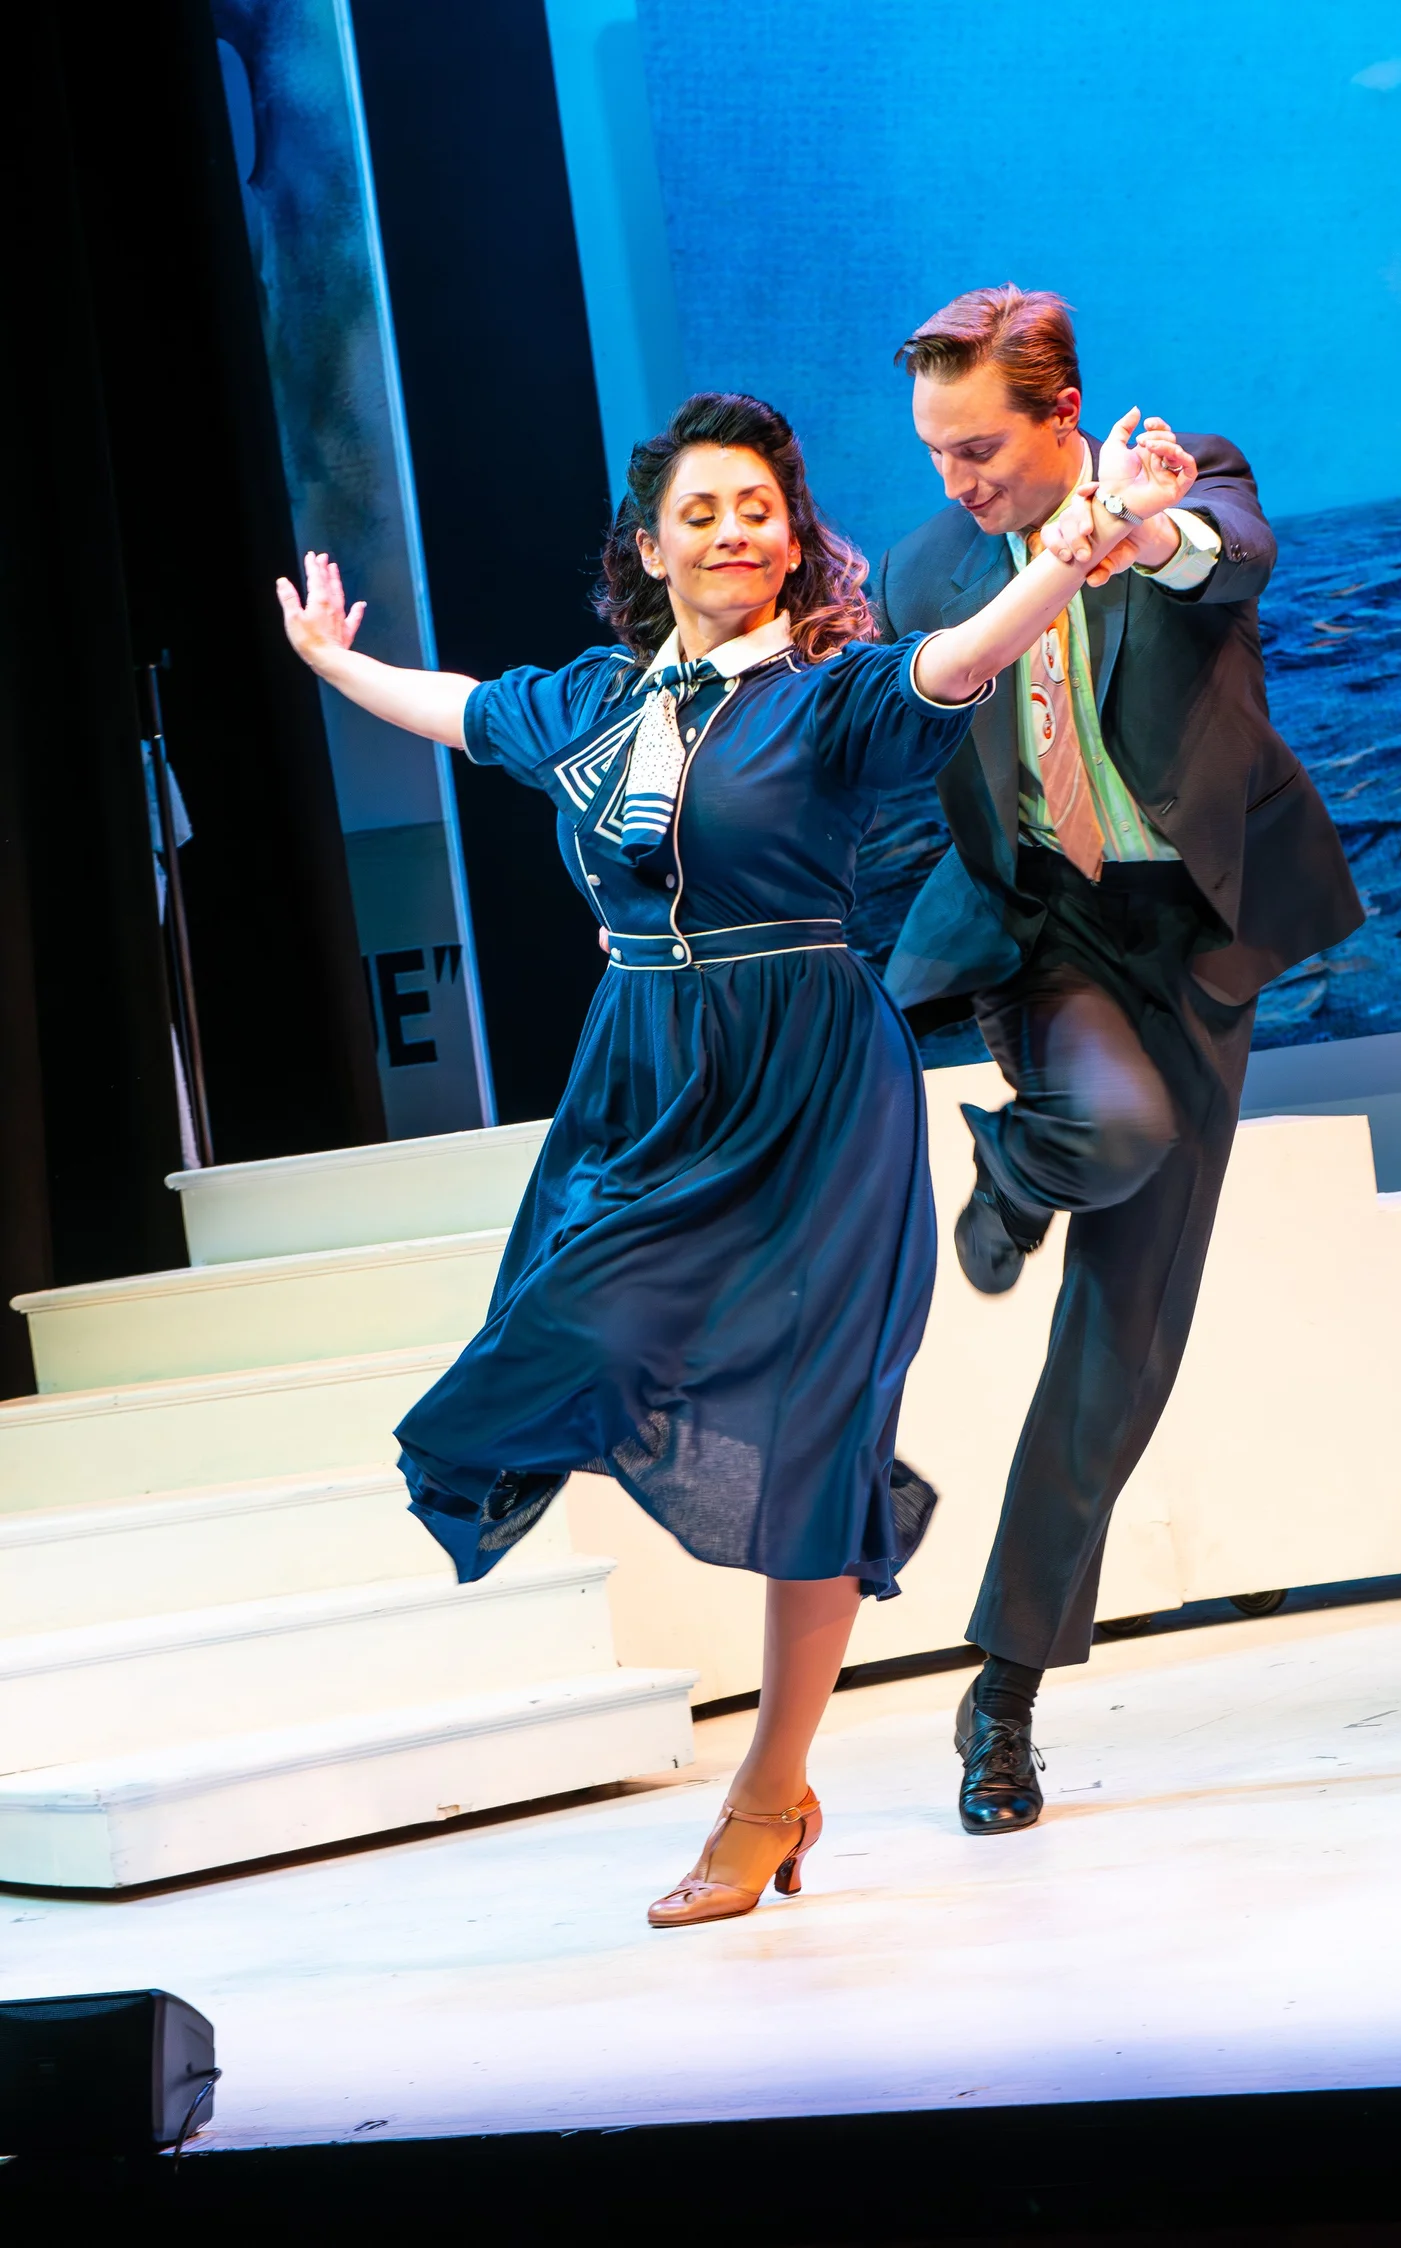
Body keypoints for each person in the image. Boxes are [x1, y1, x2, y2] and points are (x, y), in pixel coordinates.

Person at [276, 388, 1194, 1923]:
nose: (730, 534)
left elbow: (965, 658)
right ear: (650, 547)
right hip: (644, 1080)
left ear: (790, 539)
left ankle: (769, 1792)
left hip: (812, 1079)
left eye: (756, 510)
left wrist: (1077, 546)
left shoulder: (827, 697)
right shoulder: (589, 704)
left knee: (814, 1439)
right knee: (574, 1339)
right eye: (697, 513)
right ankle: (778, 1728)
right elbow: (462, 708)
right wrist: (332, 663)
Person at [874, 287, 1364, 1838]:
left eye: (978, 448)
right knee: (1117, 1127)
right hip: (1044, 932)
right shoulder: (927, 568)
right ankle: (1029, 1164)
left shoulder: (1186, 475)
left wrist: (1142, 532)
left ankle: (1003, 1693)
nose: (956, 479)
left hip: (1192, 933)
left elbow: (1234, 553)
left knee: (1123, 1346)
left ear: (1061, 416)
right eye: (935, 450)